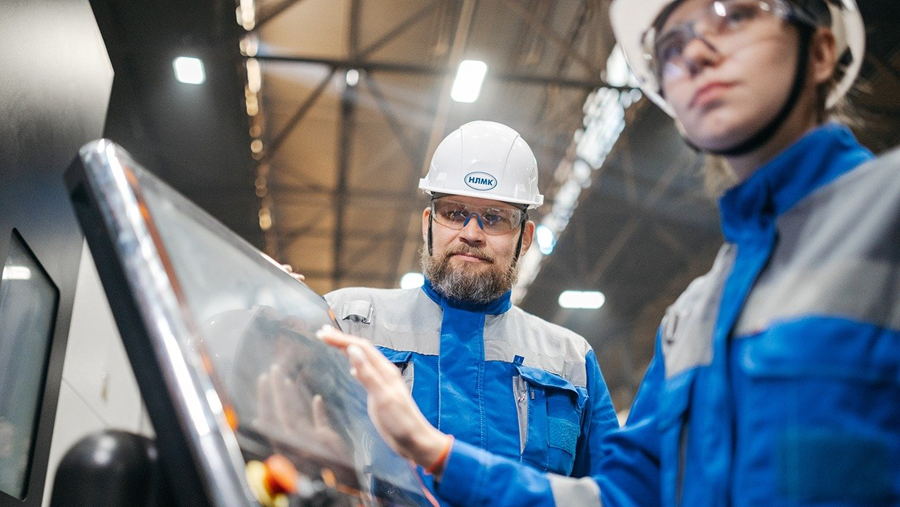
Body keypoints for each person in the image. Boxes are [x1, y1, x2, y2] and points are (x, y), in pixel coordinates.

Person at [321, 0, 900, 506]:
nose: (695, 51)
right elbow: (626, 497)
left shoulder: (886, 215)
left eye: (736, 13)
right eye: (670, 44)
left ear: (822, 50)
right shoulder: (693, 319)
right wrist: (437, 454)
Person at [323, 121, 620, 500]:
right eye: (454, 212)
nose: (472, 232)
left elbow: (612, 494)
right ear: (429, 224)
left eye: (494, 218)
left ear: (524, 238)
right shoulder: (350, 322)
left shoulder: (570, 360)